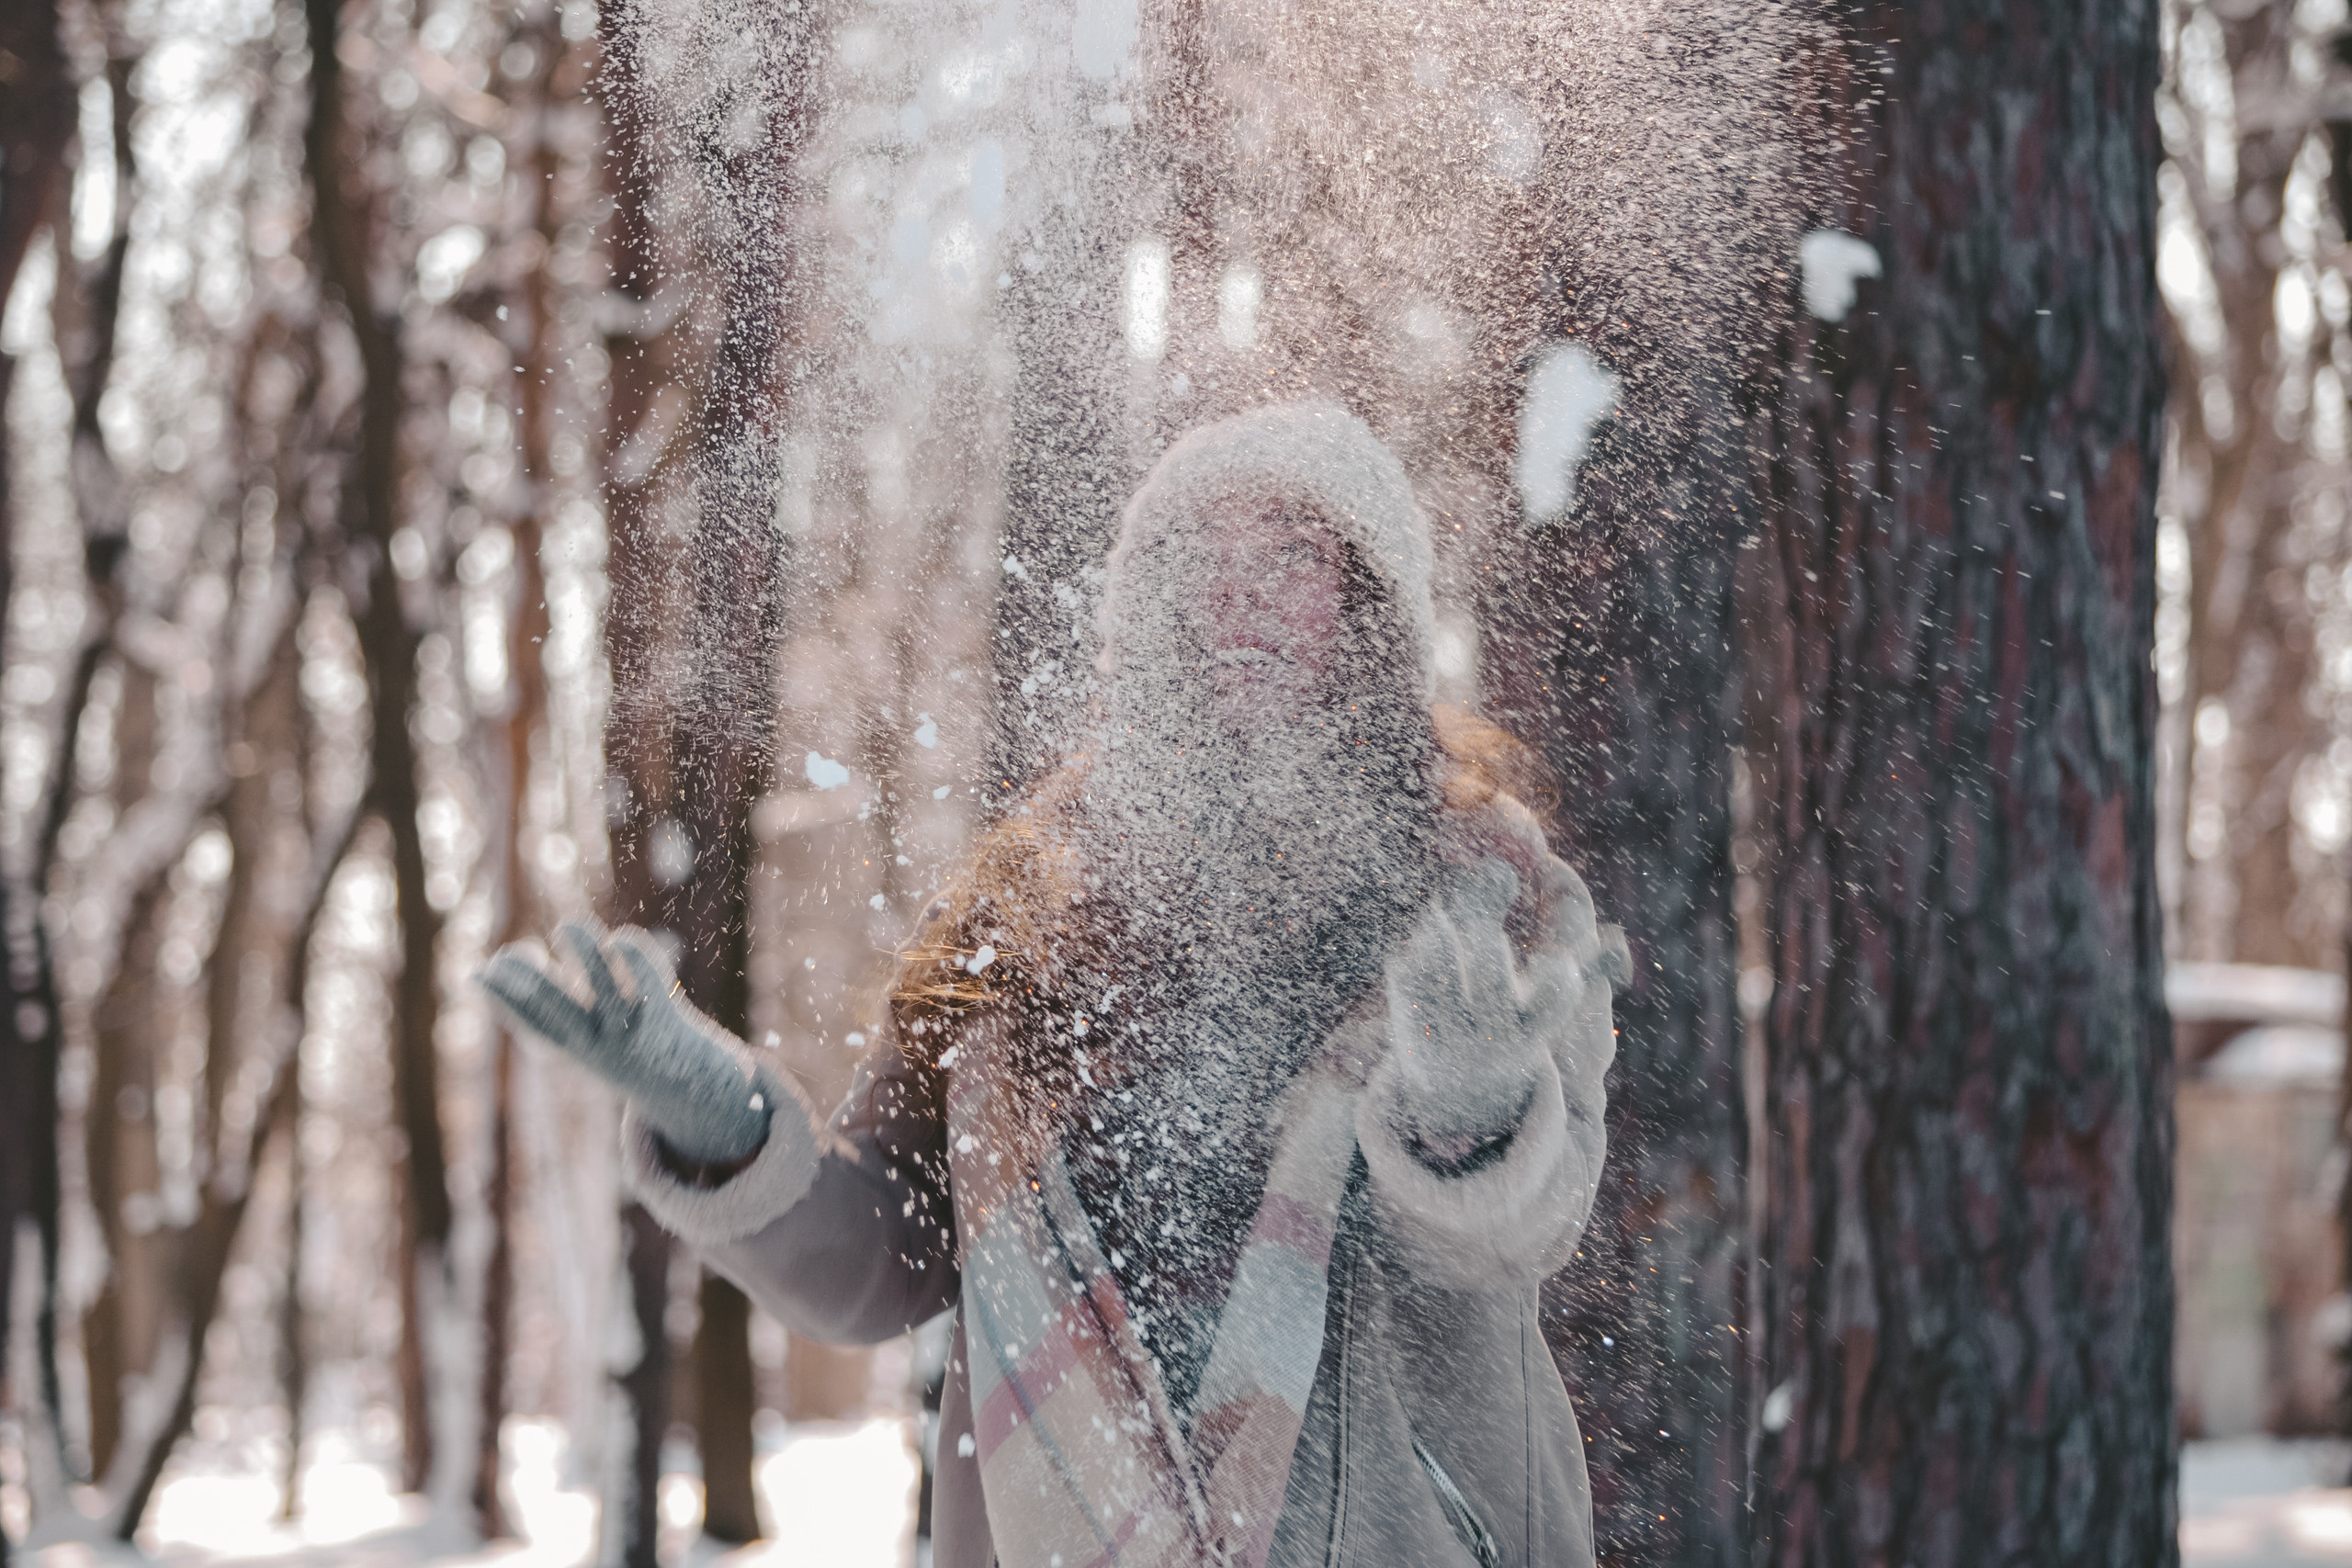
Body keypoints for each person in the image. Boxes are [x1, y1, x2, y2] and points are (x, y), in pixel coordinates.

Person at [481, 401, 1627, 1568]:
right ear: (1151, 607)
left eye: (1292, 558)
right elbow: (887, 1260)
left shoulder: (1488, 894)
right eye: (1203, 561)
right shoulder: (1021, 910)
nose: (1242, 599)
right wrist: (719, 1124)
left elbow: (1516, 1240)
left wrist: (1468, 1109)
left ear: (1372, 607)